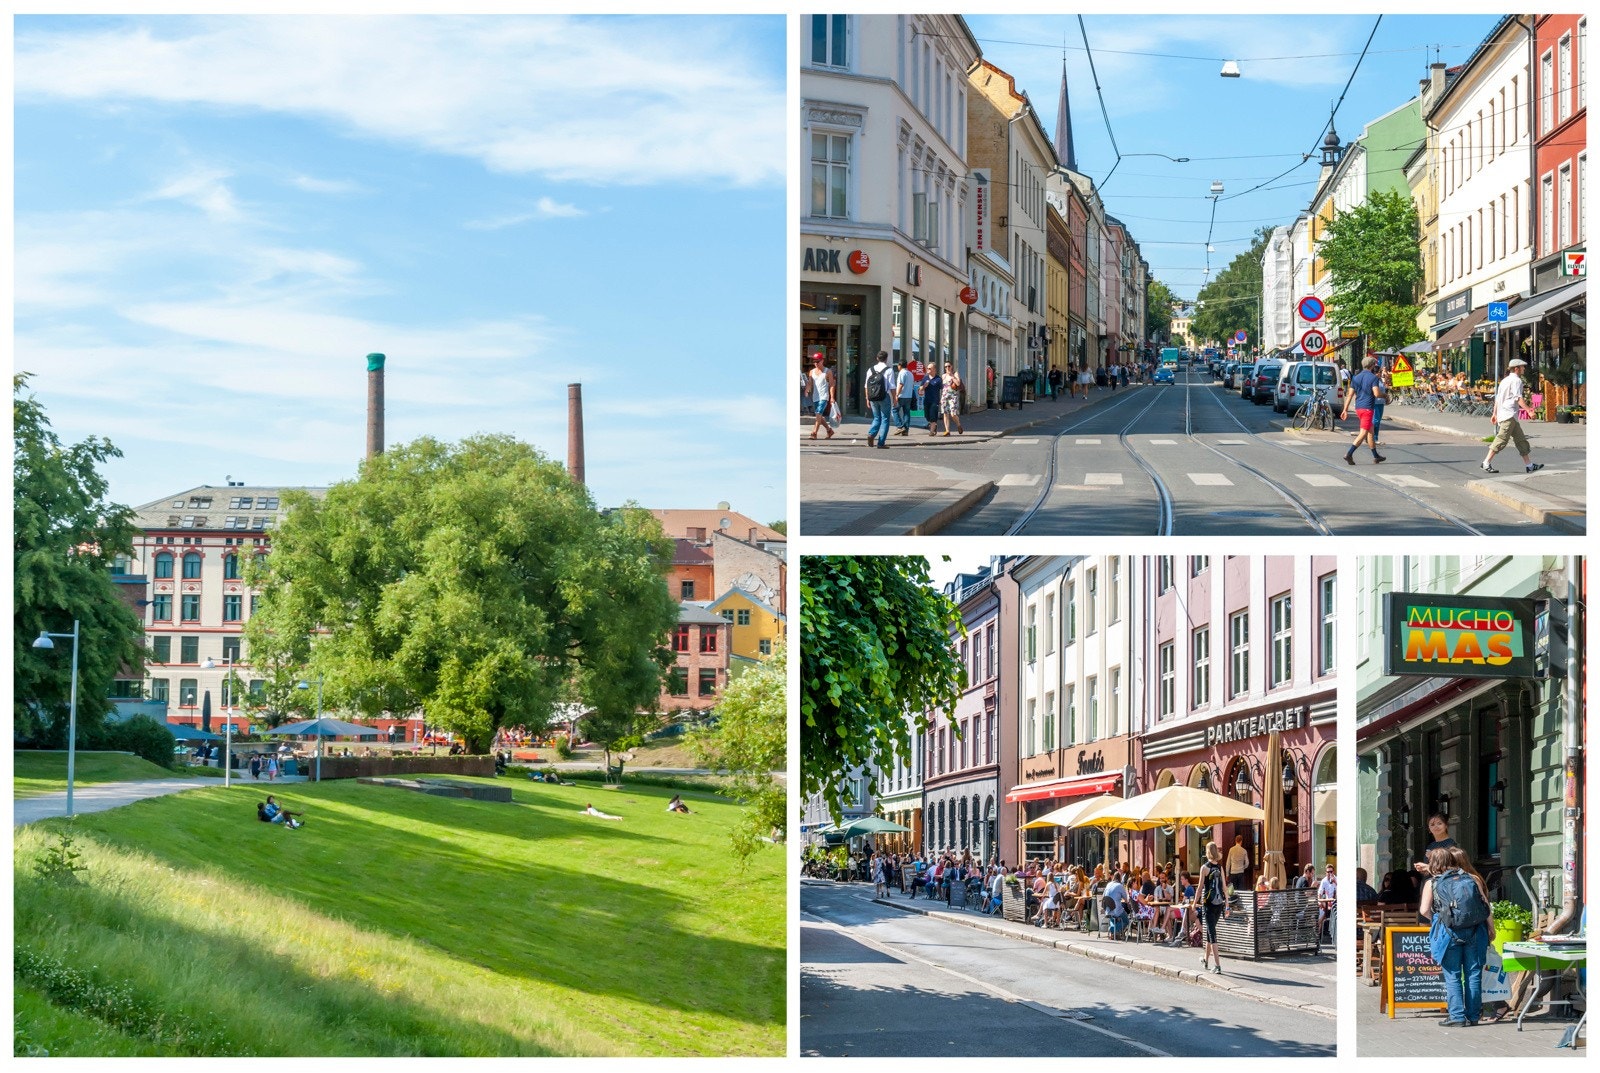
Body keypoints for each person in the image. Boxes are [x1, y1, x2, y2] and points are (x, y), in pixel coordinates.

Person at [1419, 845, 1491, 1027]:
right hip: (1475, 930)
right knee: (1473, 974)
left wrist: (1438, 919)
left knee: (1453, 975)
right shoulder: (1470, 878)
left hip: (1448, 932)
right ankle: (1474, 1016)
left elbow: (1424, 910)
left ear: (1432, 864)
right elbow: (1485, 906)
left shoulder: (1432, 883)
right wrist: (1491, 928)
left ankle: (1457, 1016)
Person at [1481, 357, 1545, 474]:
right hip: (1508, 415)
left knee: (1520, 440)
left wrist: (1494, 413)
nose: (1524, 369)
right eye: (1522, 367)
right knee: (1502, 439)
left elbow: (1498, 398)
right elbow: (1518, 398)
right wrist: (1529, 411)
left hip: (1508, 415)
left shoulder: (1505, 381)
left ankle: (1529, 465)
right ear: (1516, 369)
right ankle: (1486, 463)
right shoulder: (1516, 381)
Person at [1339, 354, 1386, 465]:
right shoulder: (1373, 378)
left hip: (1358, 408)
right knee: (1363, 433)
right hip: (1367, 409)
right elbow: (1376, 393)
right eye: (1375, 365)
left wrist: (1345, 409)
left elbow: (1350, 395)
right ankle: (1349, 454)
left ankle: (1376, 456)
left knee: (1370, 432)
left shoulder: (1356, 378)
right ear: (1372, 366)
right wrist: (1385, 396)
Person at [1198, 840, 1228, 974]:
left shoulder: (1204, 867)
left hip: (1208, 904)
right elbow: (1224, 887)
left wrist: (1194, 903)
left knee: (1212, 934)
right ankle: (1205, 959)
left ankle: (1217, 965)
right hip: (1219, 903)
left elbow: (1199, 888)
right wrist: (1227, 903)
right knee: (1210, 933)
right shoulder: (1220, 867)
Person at [863, 351, 893, 449]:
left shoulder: (870, 370)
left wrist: (867, 398)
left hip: (873, 397)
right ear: (886, 358)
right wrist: (895, 398)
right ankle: (881, 443)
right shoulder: (889, 370)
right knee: (885, 419)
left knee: (876, 417)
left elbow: (866, 385)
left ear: (877, 358)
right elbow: (892, 386)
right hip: (884, 396)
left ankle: (871, 434)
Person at [806, 354, 836, 440]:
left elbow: (831, 385)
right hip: (815, 397)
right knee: (819, 416)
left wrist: (832, 397)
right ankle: (829, 430)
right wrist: (807, 390)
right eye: (814, 362)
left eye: (817, 362)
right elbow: (810, 383)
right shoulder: (811, 372)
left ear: (822, 361)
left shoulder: (828, 371)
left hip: (824, 396)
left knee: (818, 414)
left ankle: (814, 433)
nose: (816, 363)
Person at [938, 363, 966, 435]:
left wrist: (952, 376)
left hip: (953, 396)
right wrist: (941, 397)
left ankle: (958, 425)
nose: (947, 368)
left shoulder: (955, 374)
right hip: (945, 396)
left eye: (949, 366)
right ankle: (947, 430)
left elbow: (958, 384)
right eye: (945, 367)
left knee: (953, 414)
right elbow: (943, 387)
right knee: (945, 413)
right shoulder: (943, 376)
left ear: (951, 367)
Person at [893, 360, 917, 435]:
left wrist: (896, 395)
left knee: (894, 410)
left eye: (898, 365)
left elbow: (900, 384)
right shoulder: (910, 374)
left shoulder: (902, 373)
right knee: (906, 413)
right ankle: (906, 430)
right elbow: (912, 386)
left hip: (901, 396)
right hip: (909, 396)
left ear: (900, 365)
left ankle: (900, 426)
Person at [919, 366, 943, 435]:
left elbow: (942, 389)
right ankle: (934, 425)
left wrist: (941, 399)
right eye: (927, 368)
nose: (927, 369)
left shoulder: (938, 379)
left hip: (935, 401)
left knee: (933, 416)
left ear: (934, 369)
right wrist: (924, 386)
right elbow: (920, 389)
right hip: (927, 400)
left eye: (929, 368)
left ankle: (931, 431)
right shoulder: (925, 378)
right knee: (927, 416)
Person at [1317, 863, 1338, 942]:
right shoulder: (1324, 881)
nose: (1329, 873)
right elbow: (1319, 893)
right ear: (1325, 872)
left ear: (1333, 872)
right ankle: (1318, 935)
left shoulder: (1336, 879)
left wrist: (1335, 882)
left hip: (1336, 904)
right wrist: (1319, 902)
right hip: (1326, 904)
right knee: (1321, 913)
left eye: (1331, 872)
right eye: (1328, 872)